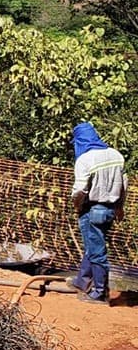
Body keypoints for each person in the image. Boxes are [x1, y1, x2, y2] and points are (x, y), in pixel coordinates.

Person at [66, 122, 128, 304]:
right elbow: (124, 185)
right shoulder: (115, 155)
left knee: (97, 252)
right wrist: (120, 207)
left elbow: (79, 190)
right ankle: (81, 282)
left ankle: (100, 293)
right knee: (92, 246)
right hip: (110, 209)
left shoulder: (85, 159)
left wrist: (77, 206)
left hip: (92, 209)